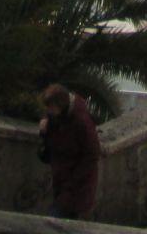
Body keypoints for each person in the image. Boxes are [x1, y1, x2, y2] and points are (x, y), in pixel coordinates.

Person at [37, 83, 100, 220]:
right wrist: (43, 133)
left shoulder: (81, 121)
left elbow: (92, 153)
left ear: (60, 104)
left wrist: (73, 179)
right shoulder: (56, 119)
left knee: (54, 220)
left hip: (76, 187)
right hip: (62, 184)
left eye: (51, 107)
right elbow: (47, 154)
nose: (49, 110)